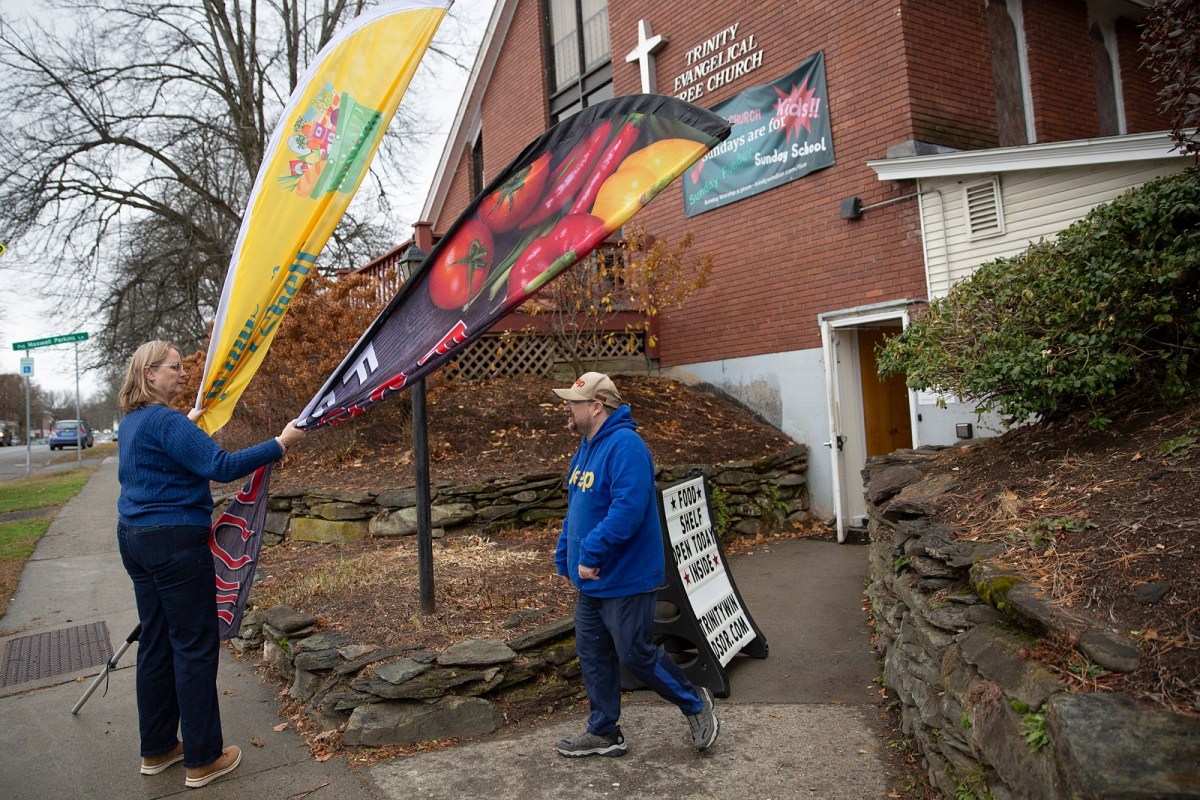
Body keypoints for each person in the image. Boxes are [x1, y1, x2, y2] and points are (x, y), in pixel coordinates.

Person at [115, 340, 305, 788]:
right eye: (175, 368)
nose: (184, 374)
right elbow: (221, 466)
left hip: (134, 540)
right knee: (193, 645)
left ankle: (158, 749)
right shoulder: (164, 420)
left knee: (156, 643)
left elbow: (167, 458)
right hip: (175, 544)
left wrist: (187, 425)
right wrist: (280, 443)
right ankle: (203, 758)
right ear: (149, 375)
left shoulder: (134, 422)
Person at [552, 372, 719, 757]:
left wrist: (590, 553)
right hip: (593, 581)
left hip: (626, 577)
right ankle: (604, 731)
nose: (568, 408)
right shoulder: (586, 445)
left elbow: (628, 510)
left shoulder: (626, 446)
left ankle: (695, 702)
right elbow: (577, 505)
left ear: (596, 406)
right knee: (593, 653)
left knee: (634, 654)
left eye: (574, 402)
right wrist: (567, 552)